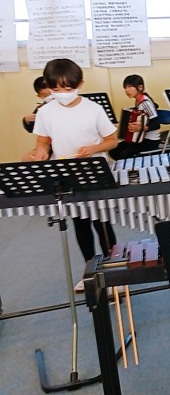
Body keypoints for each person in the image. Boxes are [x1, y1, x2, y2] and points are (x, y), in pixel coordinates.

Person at [33, 58, 118, 292]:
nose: (62, 94)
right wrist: (41, 152)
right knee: (80, 224)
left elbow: (112, 140)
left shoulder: (93, 109)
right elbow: (43, 141)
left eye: (67, 88)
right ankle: (90, 271)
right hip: (66, 174)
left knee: (102, 224)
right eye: (55, 89)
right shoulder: (45, 112)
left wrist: (93, 148)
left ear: (80, 83)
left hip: (94, 172)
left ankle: (114, 270)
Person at [109, 74, 161, 160]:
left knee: (124, 155)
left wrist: (142, 128)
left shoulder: (145, 103)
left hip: (150, 140)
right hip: (140, 138)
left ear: (140, 87)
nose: (126, 90)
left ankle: (132, 166)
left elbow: (156, 124)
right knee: (113, 150)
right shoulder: (138, 101)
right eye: (125, 87)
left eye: (130, 87)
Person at [21, 76, 53, 161]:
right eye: (45, 95)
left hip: (61, 144)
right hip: (48, 145)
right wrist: (26, 120)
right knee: (27, 158)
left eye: (52, 93)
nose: (50, 97)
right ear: (39, 96)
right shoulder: (41, 108)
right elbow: (32, 129)